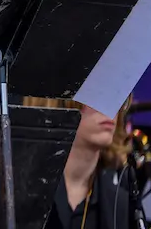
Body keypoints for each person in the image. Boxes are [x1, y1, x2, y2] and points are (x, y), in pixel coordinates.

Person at [25, 97, 134, 229]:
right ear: (61, 102)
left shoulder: (121, 204)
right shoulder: (21, 188)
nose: (109, 109)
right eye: (97, 94)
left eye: (116, 95)